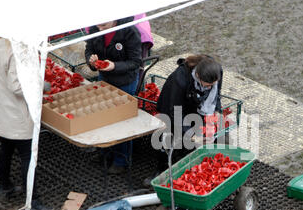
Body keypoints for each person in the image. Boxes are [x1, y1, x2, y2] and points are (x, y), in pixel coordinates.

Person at [0, 38, 53, 210]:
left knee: (6, 148)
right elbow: (17, 86)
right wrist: (41, 85)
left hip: (1, 108)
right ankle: (33, 202)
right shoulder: (20, 50)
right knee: (28, 156)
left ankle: (5, 186)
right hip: (15, 113)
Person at [143, 54, 223, 187]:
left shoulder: (216, 71)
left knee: (198, 138)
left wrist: (217, 110)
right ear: (197, 75)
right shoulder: (179, 79)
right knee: (166, 135)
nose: (210, 88)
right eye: (207, 85)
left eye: (212, 85)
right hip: (173, 104)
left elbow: (217, 93)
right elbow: (176, 113)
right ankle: (161, 169)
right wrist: (191, 135)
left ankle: (190, 168)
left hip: (196, 103)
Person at [85, 17, 142, 174]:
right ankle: (105, 151)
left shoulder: (130, 32)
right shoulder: (95, 28)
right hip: (104, 78)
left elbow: (135, 62)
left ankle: (121, 160)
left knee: (122, 120)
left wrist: (114, 66)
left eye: (104, 24)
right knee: (103, 116)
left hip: (125, 81)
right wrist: (91, 61)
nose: (100, 27)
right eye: (98, 24)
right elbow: (89, 49)